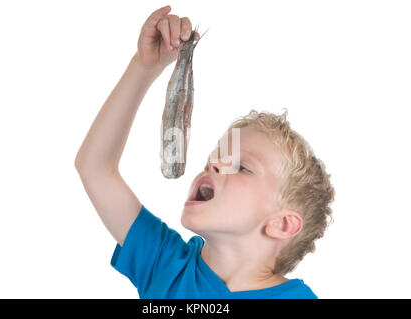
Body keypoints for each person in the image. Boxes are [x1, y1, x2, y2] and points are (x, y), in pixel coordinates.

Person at [75, 5, 335, 299]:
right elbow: (94, 168)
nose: (213, 166)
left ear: (282, 223)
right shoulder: (166, 263)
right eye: (213, 160)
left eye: (241, 167)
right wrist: (144, 66)